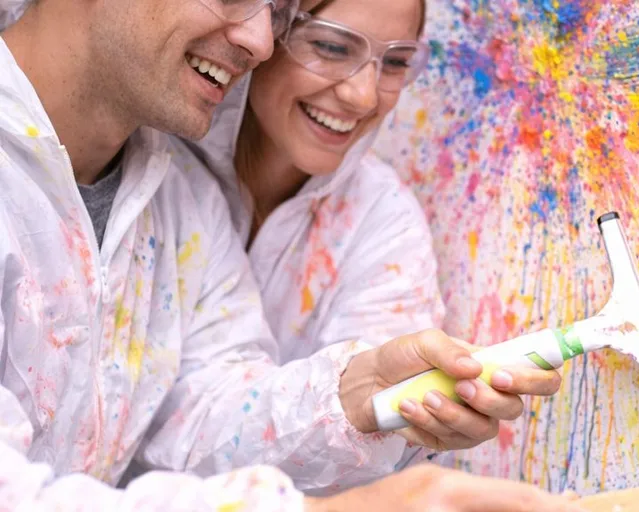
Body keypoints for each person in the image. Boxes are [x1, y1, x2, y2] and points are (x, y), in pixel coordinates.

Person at [0, 0, 573, 510]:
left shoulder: (175, 192)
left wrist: (357, 394)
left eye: (275, 9)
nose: (261, 41)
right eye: (327, 44)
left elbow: (198, 412)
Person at [183, 0, 502, 489]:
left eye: (395, 62)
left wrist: (401, 408)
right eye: (332, 47)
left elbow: (371, 459)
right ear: (260, 34)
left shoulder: (384, 221)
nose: (363, 94)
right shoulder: (156, 172)